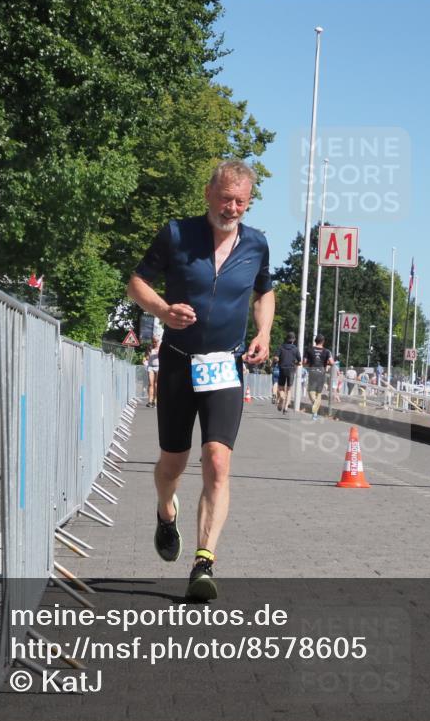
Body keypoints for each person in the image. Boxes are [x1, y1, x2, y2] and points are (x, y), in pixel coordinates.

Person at [126, 159, 274, 601]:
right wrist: (162, 311)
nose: (232, 208)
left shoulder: (257, 244)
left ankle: (203, 562)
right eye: (226, 198)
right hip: (177, 360)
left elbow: (265, 291)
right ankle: (164, 511)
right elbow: (137, 282)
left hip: (225, 365)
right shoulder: (176, 234)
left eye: (241, 202)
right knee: (172, 463)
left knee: (217, 460)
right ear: (209, 193)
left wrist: (263, 332)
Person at [303, 334, 333, 420]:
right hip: (321, 372)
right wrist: (325, 363)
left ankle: (315, 411)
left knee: (310, 391)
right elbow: (332, 362)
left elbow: (304, 361)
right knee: (318, 393)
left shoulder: (309, 349)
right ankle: (315, 412)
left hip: (312, 371)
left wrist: (309, 362)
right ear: (323, 342)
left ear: (315, 341)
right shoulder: (327, 351)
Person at [274, 332, 301, 413]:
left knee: (280, 388)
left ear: (286, 339)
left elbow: (276, 357)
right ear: (294, 340)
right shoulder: (296, 349)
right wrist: (296, 363)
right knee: (289, 390)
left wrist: (276, 360)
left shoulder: (281, 347)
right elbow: (300, 362)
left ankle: (282, 397)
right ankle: (285, 408)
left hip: (282, 369)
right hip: (291, 370)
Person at [144, 336, 160, 407]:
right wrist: (148, 354)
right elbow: (146, 357)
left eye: (155, 342)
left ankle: (155, 400)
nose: (154, 343)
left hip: (158, 367)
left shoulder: (160, 347)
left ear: (158, 341)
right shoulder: (149, 347)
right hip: (150, 367)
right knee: (151, 383)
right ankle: (150, 401)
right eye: (153, 342)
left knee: (156, 384)